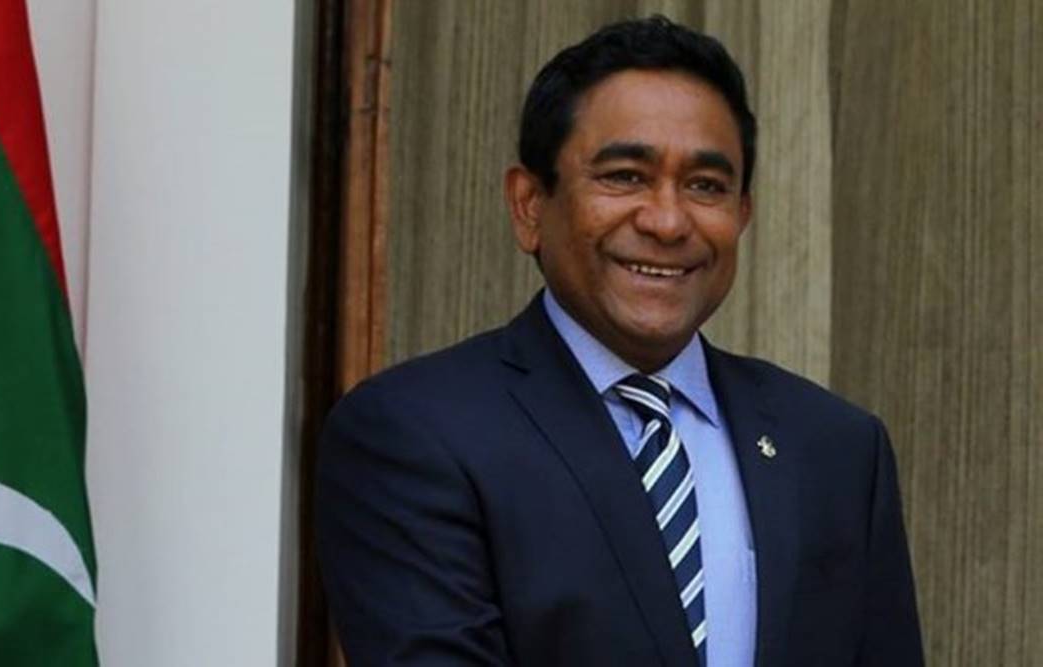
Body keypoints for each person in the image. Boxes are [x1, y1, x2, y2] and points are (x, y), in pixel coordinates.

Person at [316, 16, 923, 667]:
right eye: (625, 176)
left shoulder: (835, 447)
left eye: (705, 186)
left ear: (743, 214)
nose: (667, 221)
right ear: (529, 205)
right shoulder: (415, 433)